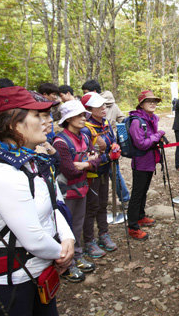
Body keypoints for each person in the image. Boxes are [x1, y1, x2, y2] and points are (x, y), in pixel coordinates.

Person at [0, 86, 75, 315]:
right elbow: (34, 240)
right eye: (36, 115)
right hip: (11, 285)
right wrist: (62, 253)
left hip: (38, 273)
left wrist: (68, 237)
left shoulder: (34, 161)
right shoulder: (1, 174)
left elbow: (54, 205)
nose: (45, 121)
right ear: (13, 124)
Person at [52, 100, 100, 282]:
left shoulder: (85, 137)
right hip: (66, 193)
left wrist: (85, 163)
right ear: (68, 119)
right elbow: (69, 171)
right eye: (79, 115)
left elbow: (97, 159)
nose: (83, 118)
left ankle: (77, 255)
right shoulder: (60, 142)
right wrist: (90, 162)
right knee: (65, 229)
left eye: (83, 115)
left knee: (77, 224)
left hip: (82, 189)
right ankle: (65, 264)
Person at [80, 92, 118, 258]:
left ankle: (103, 233)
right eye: (99, 106)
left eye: (104, 105)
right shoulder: (85, 129)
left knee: (102, 203)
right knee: (91, 207)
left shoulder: (105, 123)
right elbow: (86, 156)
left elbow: (111, 140)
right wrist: (107, 156)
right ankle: (89, 241)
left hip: (105, 169)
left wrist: (115, 147)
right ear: (88, 109)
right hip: (91, 174)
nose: (104, 108)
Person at [126, 90, 165, 241]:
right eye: (149, 101)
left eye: (155, 101)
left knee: (144, 191)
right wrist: (158, 135)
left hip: (149, 160)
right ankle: (133, 226)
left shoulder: (151, 119)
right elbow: (141, 144)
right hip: (140, 161)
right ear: (141, 104)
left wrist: (156, 137)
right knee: (137, 193)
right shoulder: (137, 121)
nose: (153, 103)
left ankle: (140, 216)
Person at [101, 90, 130, 206]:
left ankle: (101, 202)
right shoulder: (114, 106)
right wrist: (123, 140)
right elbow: (122, 120)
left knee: (107, 174)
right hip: (111, 142)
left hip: (103, 144)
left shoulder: (93, 106)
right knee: (115, 173)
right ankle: (125, 199)